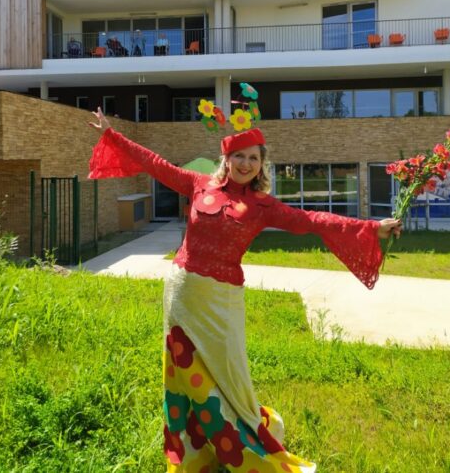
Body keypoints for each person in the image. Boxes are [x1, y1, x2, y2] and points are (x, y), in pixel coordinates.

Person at [88, 110, 401, 472]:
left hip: (222, 303)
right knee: (183, 370)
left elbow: (311, 220)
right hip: (182, 293)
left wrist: (371, 227)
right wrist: (113, 137)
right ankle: (197, 451)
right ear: (227, 159)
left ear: (261, 166)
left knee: (230, 373)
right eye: (240, 156)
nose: (246, 163)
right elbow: (154, 164)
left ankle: (242, 443)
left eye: (254, 158)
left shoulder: (261, 206)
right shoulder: (198, 184)